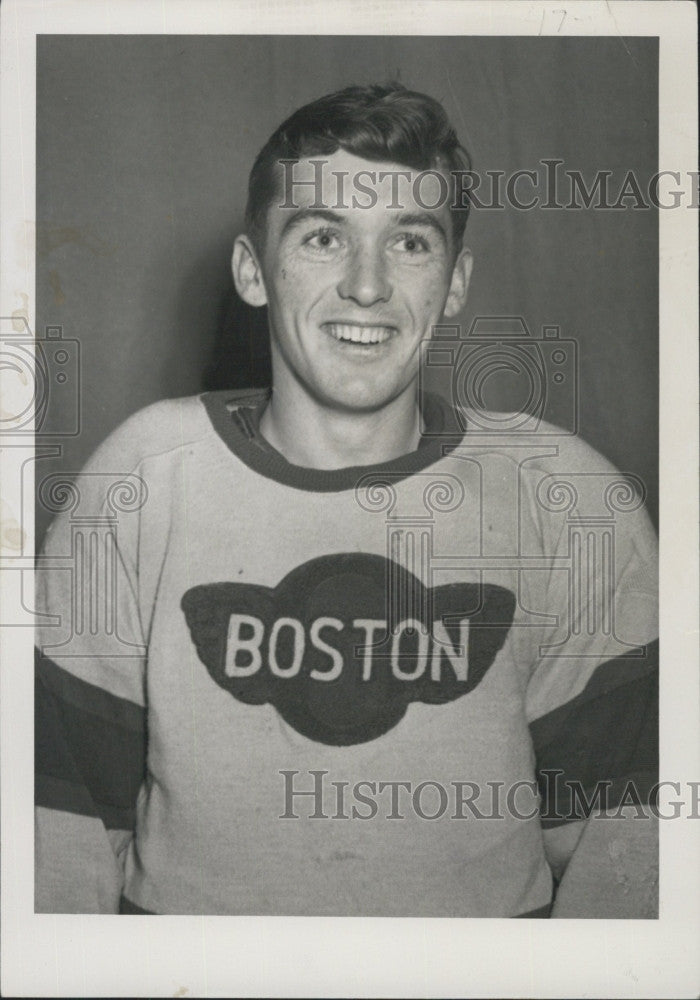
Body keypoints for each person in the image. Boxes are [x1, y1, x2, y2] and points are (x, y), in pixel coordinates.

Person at [35, 83, 658, 917]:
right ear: (253, 271)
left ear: (457, 280)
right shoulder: (142, 479)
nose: (366, 286)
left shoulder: (570, 498)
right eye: (324, 236)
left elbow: (632, 847)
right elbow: (55, 831)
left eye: (409, 242)